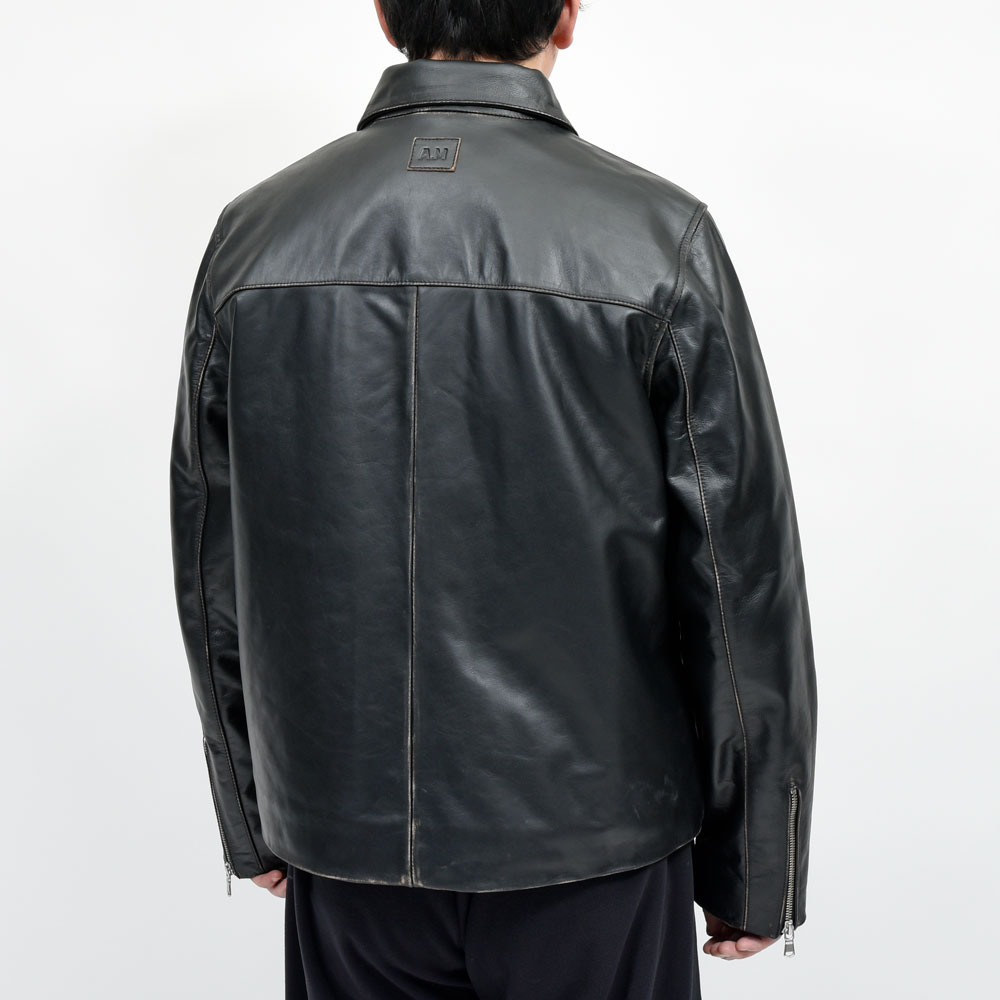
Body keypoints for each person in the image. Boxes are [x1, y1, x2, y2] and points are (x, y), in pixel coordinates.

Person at [169, 2, 819, 997]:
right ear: (567, 16)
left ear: (385, 15)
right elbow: (739, 580)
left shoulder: (255, 237)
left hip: (348, 848)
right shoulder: (655, 236)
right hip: (593, 848)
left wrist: (254, 808)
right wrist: (754, 860)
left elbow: (209, 557)